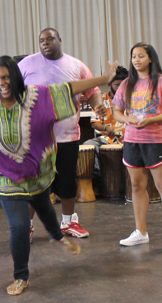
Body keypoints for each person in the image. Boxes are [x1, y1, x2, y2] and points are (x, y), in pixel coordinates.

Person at [0, 34, 117, 295]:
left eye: (6, 77)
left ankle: (58, 235)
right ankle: (21, 276)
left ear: (15, 77)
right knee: (18, 227)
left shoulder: (36, 96)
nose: (2, 83)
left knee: (44, 206)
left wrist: (103, 80)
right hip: (4, 177)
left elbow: (70, 88)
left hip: (36, 171)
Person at [18, 27, 105, 239]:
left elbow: (92, 91)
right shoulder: (26, 64)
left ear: (60, 40)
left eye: (49, 39)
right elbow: (10, 90)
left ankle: (68, 223)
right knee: (35, 183)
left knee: (67, 181)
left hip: (67, 136)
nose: (45, 43)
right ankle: (27, 227)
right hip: (35, 137)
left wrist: (98, 105)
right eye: (41, 40)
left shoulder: (76, 65)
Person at [112, 42, 162, 251]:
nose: (136, 60)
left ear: (150, 58)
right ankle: (141, 232)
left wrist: (152, 120)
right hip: (132, 141)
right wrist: (127, 119)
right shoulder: (126, 84)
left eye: (141, 56)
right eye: (134, 57)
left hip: (157, 140)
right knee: (137, 186)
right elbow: (116, 112)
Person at [83, 65, 128, 178]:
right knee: (88, 145)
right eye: (117, 85)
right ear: (109, 84)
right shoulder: (101, 100)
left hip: (130, 139)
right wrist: (106, 128)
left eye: (123, 85)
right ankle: (97, 180)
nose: (120, 88)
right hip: (109, 139)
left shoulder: (133, 100)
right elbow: (94, 123)